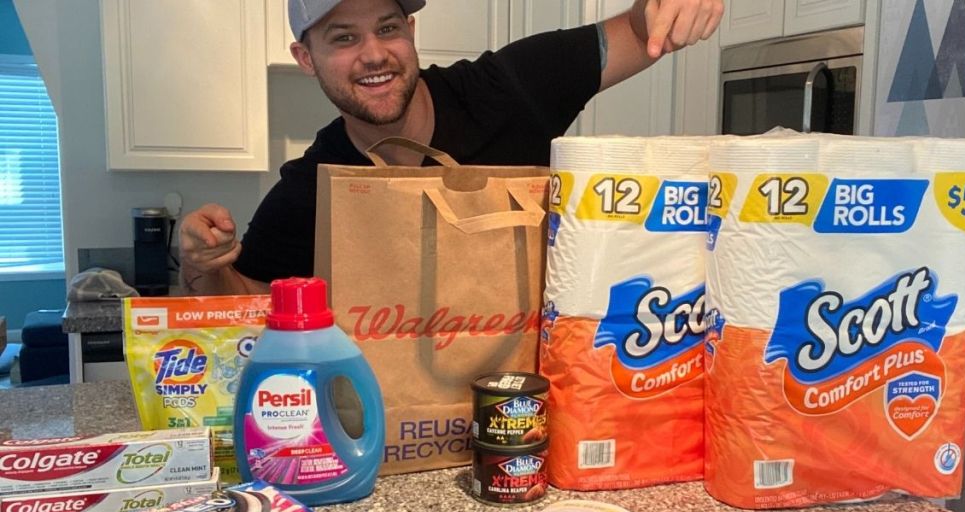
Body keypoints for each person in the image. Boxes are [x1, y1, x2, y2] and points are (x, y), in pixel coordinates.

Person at [180, 0, 723, 295]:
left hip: (536, 410)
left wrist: (670, 8)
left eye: (387, 27)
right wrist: (204, 263)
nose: (374, 54)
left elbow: (636, 29)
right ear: (306, 58)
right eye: (344, 37)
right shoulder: (313, 185)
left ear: (411, 29)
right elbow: (243, 299)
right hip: (406, 423)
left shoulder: (504, 90)